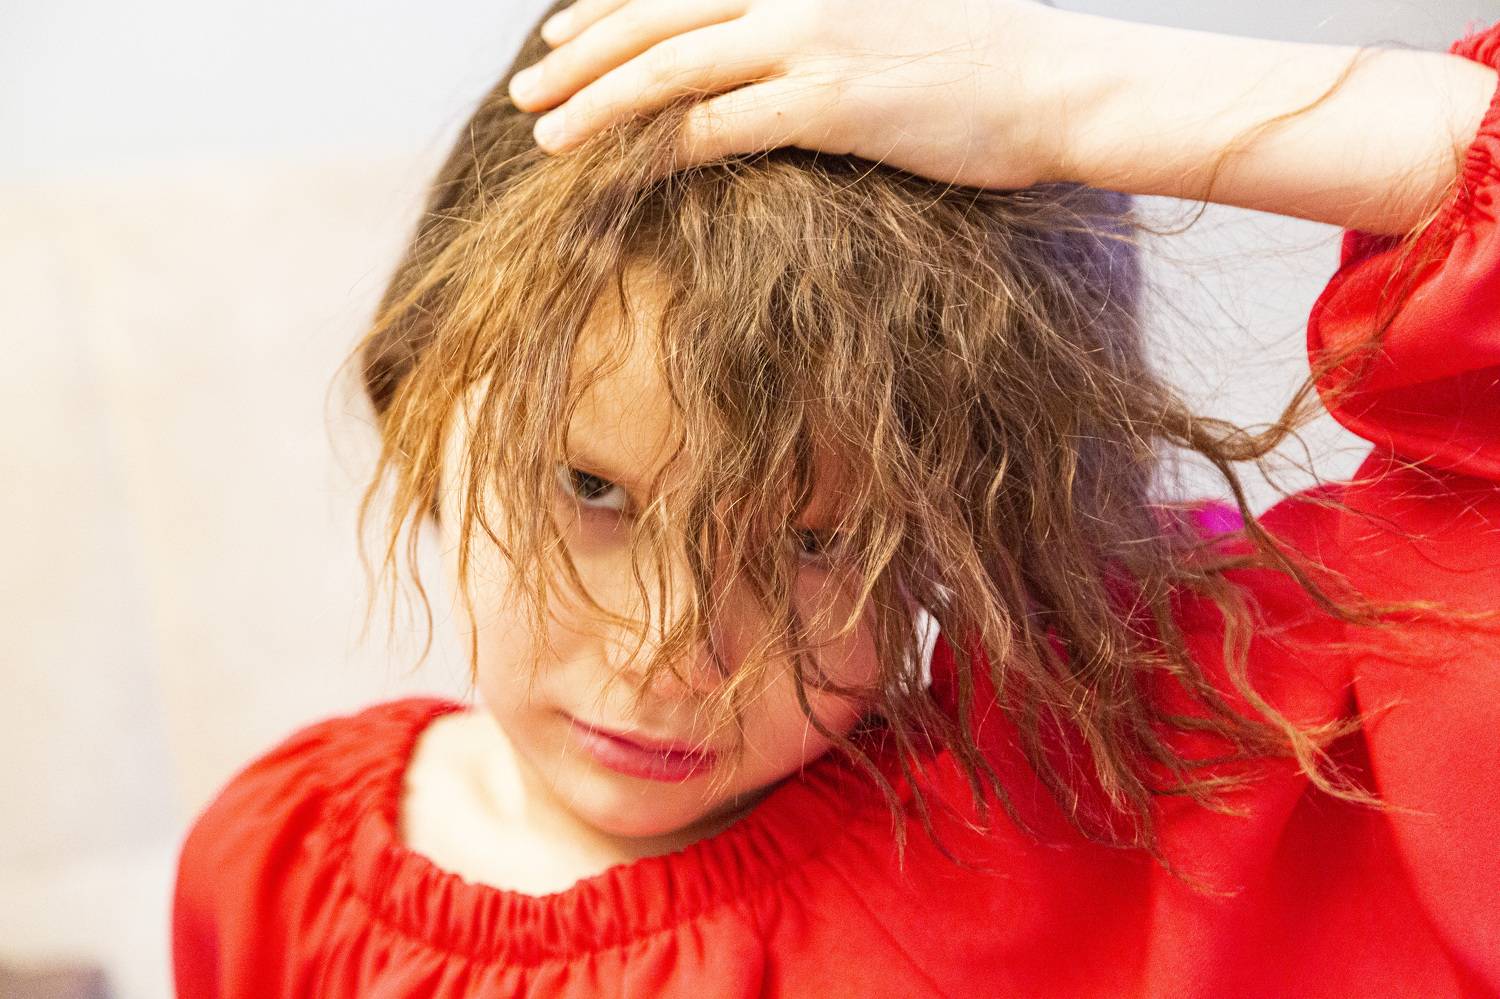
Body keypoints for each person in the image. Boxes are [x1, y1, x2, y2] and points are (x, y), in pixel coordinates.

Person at [171, 1, 1500, 995]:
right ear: (419, 378)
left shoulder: (1079, 820)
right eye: (591, 489)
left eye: (820, 544)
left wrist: (1068, 93)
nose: (670, 654)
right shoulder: (274, 867)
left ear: (979, 534)